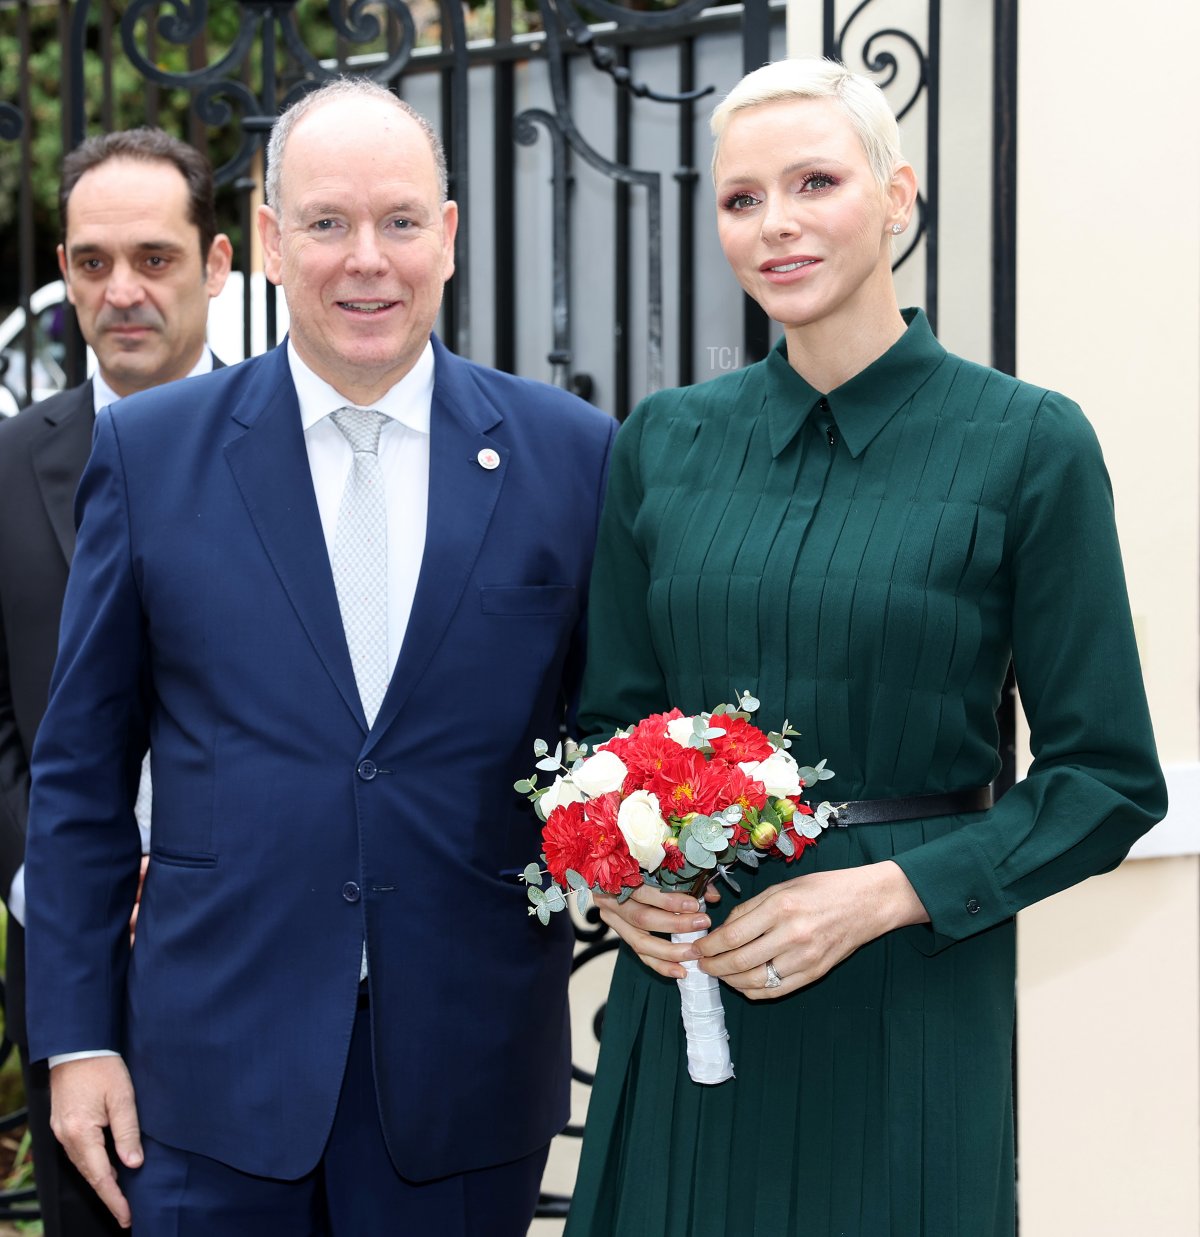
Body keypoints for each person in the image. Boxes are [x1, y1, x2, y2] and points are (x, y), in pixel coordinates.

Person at [564, 57, 1165, 1237]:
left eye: (814, 182)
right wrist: (624, 883)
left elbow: (1107, 779)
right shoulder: (662, 443)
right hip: (693, 995)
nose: (776, 225)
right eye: (742, 199)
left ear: (897, 199)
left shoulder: (1029, 444)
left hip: (909, 1000)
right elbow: (609, 727)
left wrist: (891, 893)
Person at [23, 77, 616, 1236]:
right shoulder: (151, 454)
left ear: (448, 236)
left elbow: (607, 730)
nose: (368, 261)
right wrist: (79, 1035)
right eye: (330, 224)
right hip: (208, 1071)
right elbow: (82, 771)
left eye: (400, 221)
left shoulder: (570, 455)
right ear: (274, 241)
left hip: (466, 1072)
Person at [0, 126, 233, 1237]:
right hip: (73, 959)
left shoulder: (293, 449)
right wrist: (56, 885)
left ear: (221, 264)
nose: (122, 290)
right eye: (92, 263)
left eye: (155, 257)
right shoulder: (4, 469)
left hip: (259, 945)